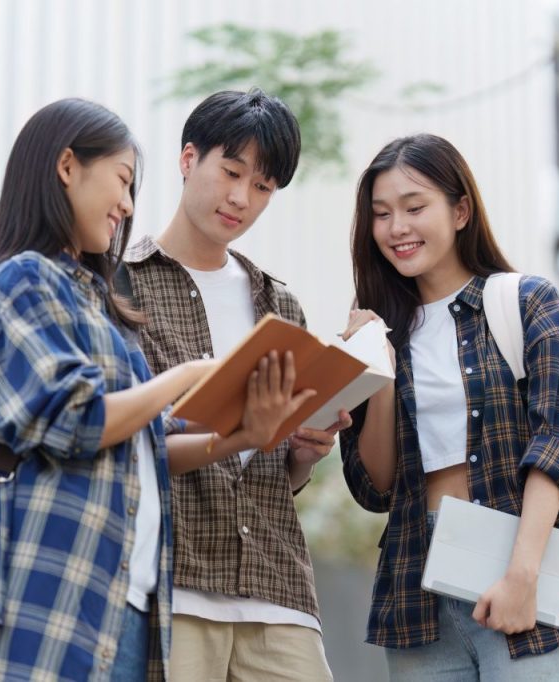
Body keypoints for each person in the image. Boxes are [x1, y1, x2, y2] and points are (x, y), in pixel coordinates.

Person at [0, 98, 243, 681]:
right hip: (49, 596)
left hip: (125, 602)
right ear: (67, 166)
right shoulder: (25, 278)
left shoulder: (97, 304)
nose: (126, 204)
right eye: (121, 181)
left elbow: (146, 440)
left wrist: (247, 433)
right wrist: (181, 377)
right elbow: (79, 420)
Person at [339, 134, 559, 681]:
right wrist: (376, 363)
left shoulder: (526, 302)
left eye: (414, 207)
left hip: (519, 566)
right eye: (381, 214)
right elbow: (377, 485)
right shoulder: (379, 329)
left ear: (461, 209)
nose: (397, 227)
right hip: (417, 588)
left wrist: (523, 574)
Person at [120, 88, 344, 681]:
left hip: (278, 589)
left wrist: (301, 452)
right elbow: (127, 447)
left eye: (263, 187)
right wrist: (240, 431)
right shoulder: (122, 290)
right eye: (232, 171)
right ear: (188, 159)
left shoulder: (280, 307)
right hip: (174, 583)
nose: (242, 198)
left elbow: (279, 474)